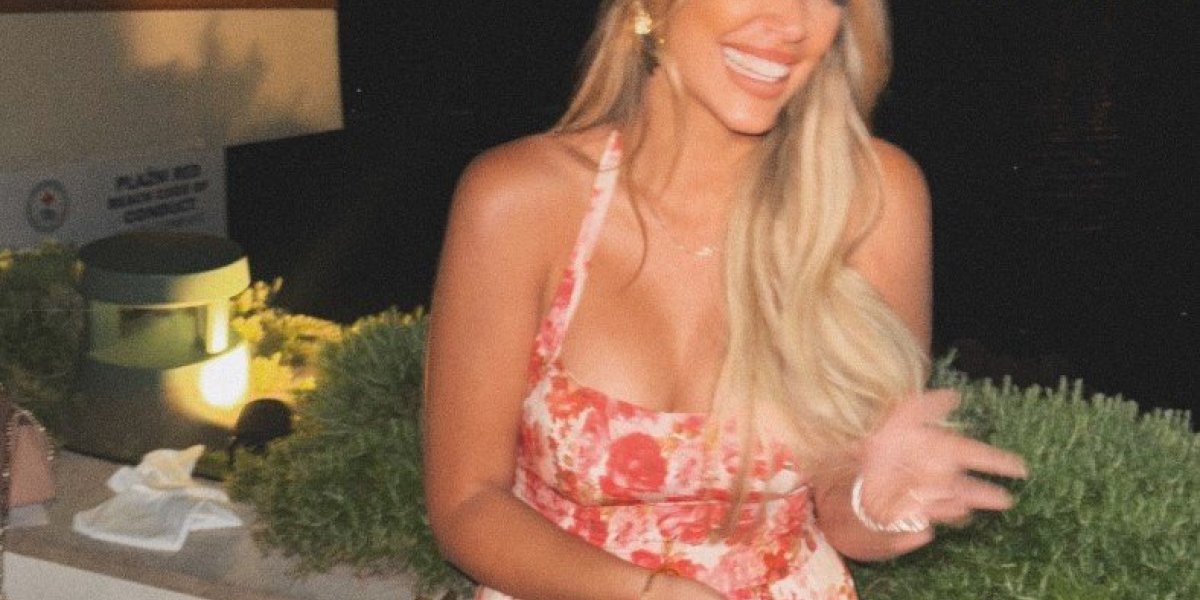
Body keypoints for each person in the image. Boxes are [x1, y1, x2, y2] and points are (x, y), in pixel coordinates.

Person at [423, 0, 1028, 598]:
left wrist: (874, 502)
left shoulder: (870, 201)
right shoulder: (521, 199)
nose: (792, 23)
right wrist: (647, 595)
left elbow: (843, 512)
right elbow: (467, 504)